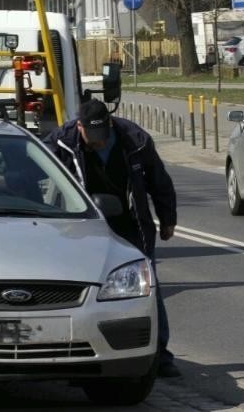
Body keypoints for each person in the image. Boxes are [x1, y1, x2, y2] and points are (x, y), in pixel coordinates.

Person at [42, 98, 181, 378]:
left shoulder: (135, 140)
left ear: (109, 125)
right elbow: (31, 172)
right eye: (92, 137)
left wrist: (167, 219)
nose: (99, 143)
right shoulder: (60, 142)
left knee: (147, 287)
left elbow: (159, 181)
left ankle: (159, 354)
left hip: (131, 224)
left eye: (103, 136)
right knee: (83, 290)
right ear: (78, 126)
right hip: (79, 230)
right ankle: (74, 353)